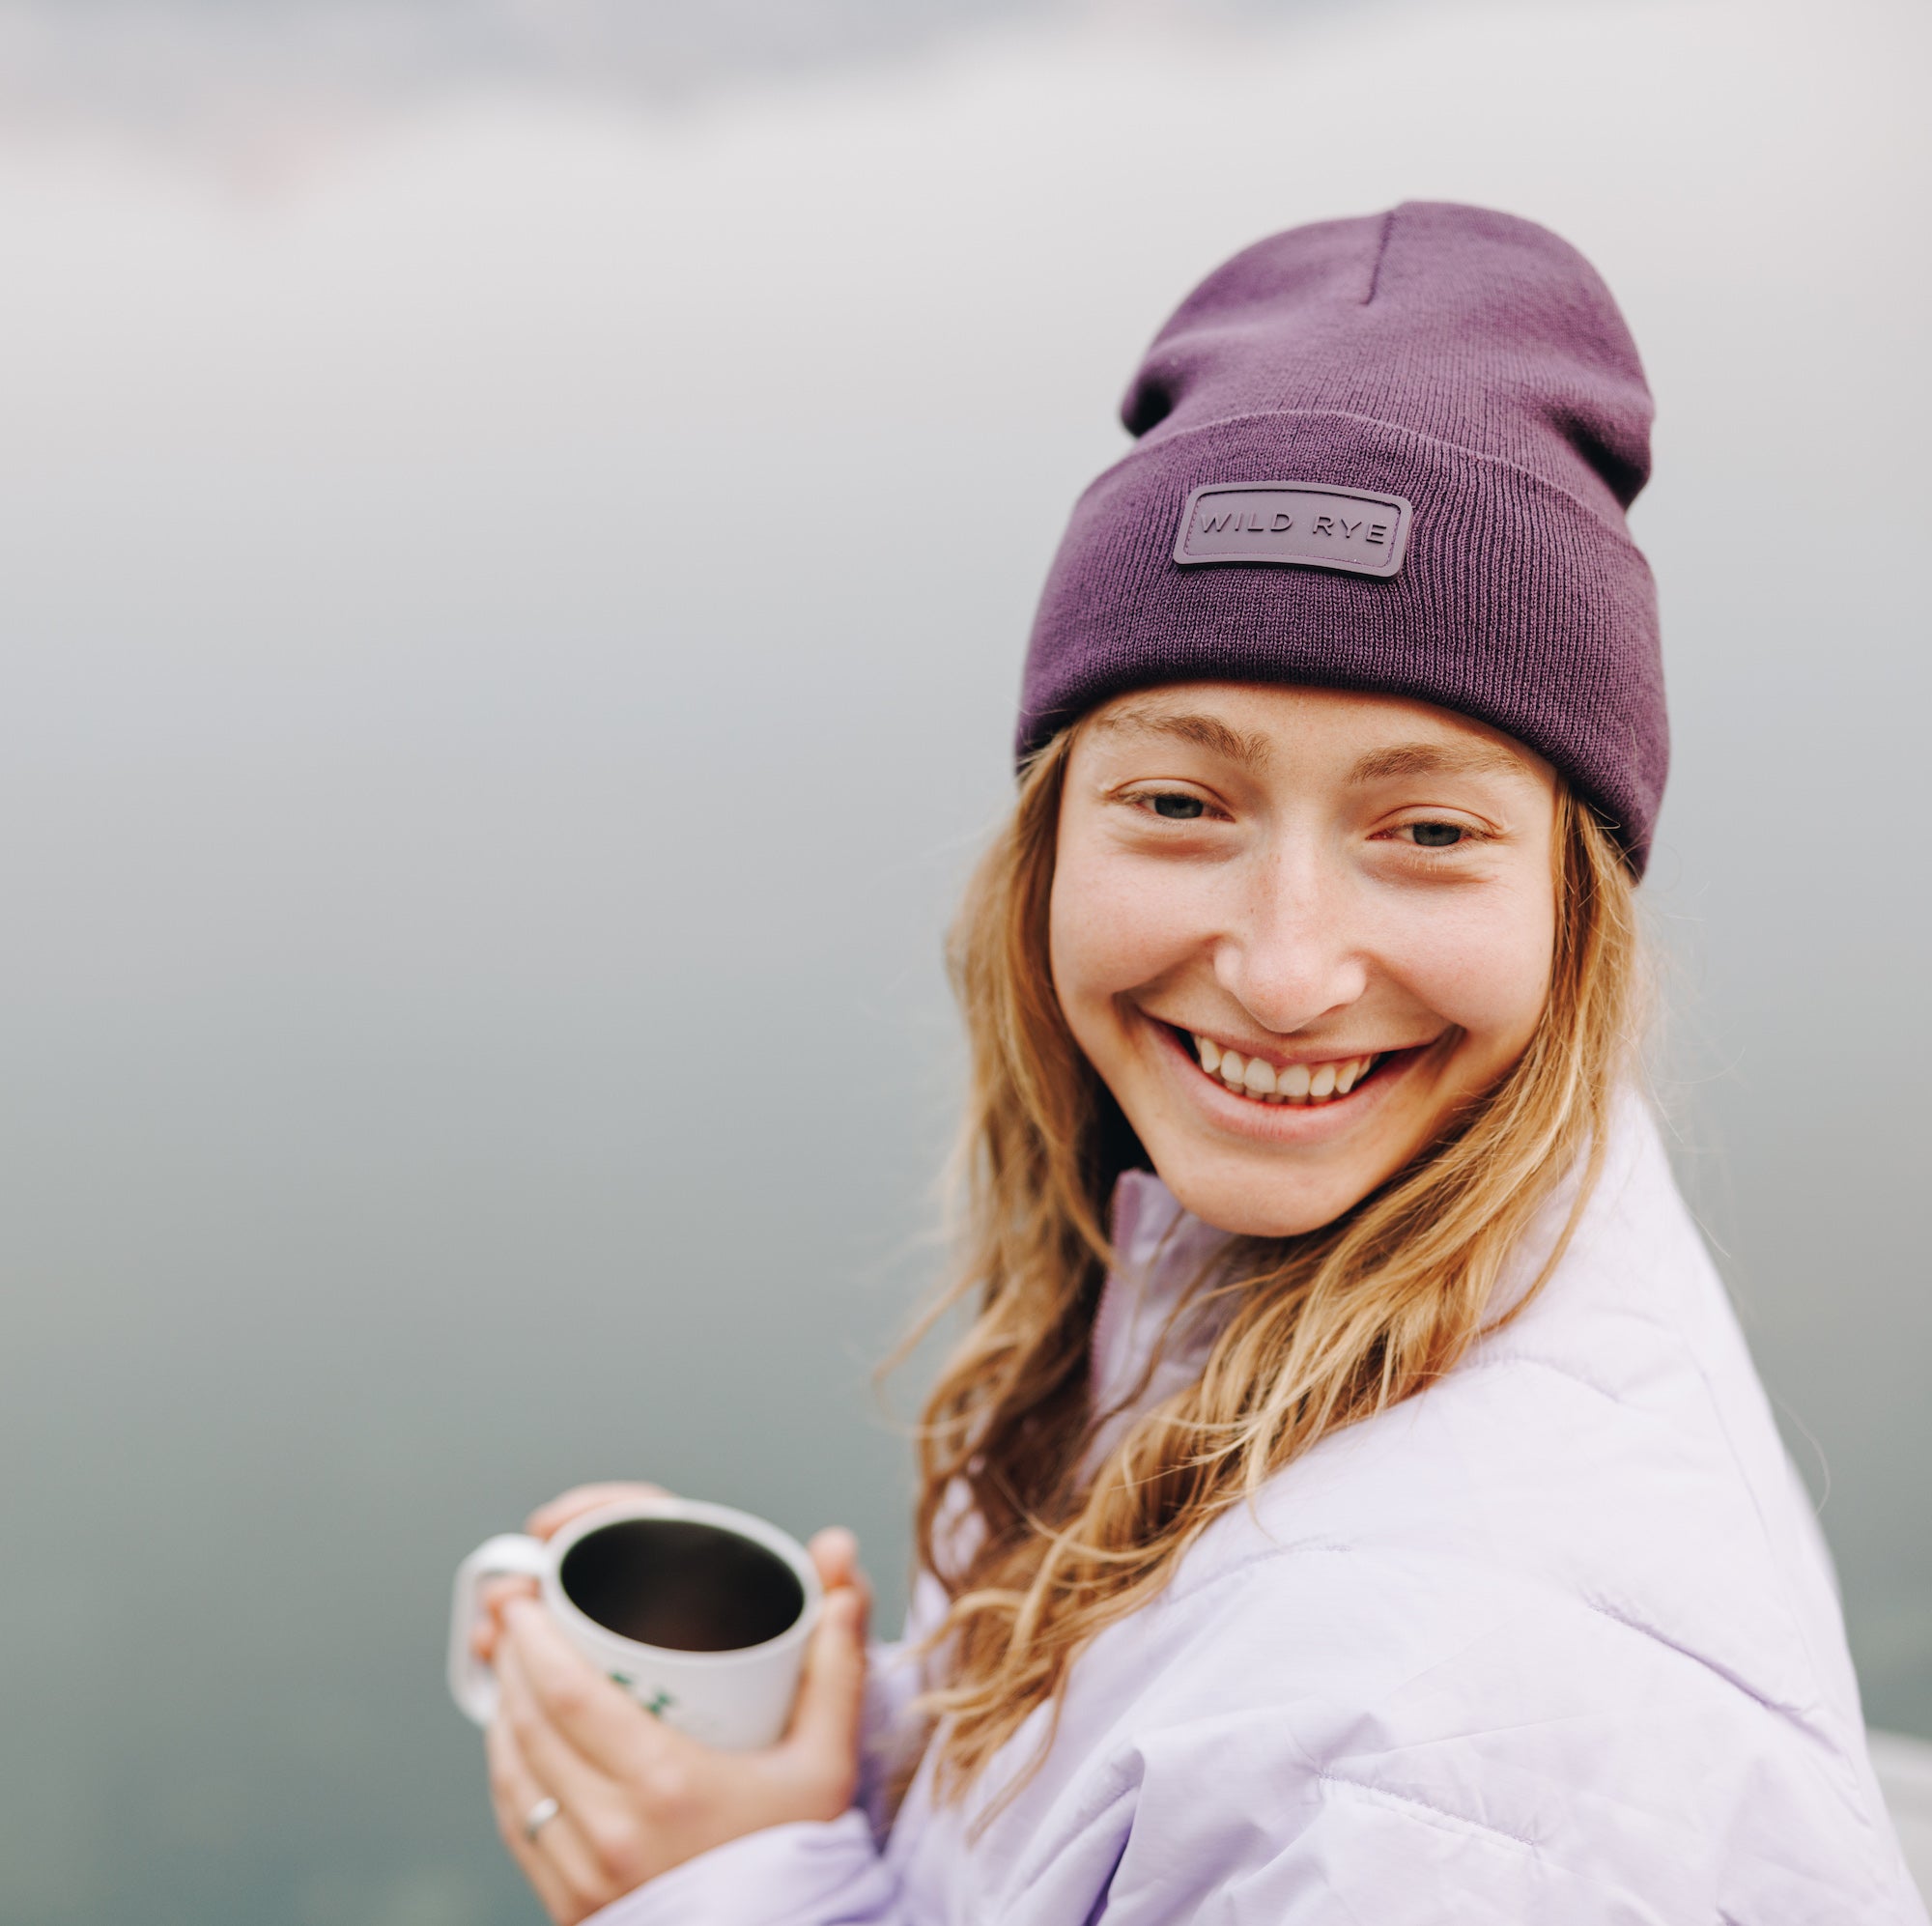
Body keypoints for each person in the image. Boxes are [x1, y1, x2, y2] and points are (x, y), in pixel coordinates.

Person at [469, 203, 1928, 1922]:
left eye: (1430, 828)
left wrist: (723, 1891)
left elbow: (1335, 1744)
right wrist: (834, 1756)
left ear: (1571, 902)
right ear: (1051, 838)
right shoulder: (1403, 1213)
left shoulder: (1439, 1773)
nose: (1287, 968)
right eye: (1181, 801)